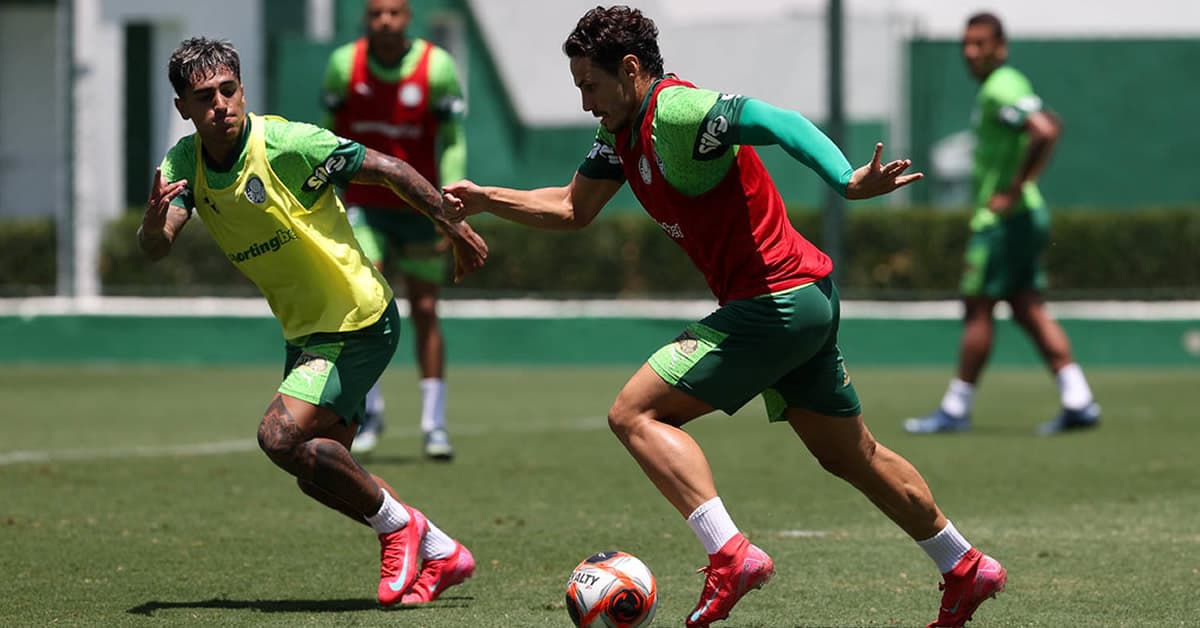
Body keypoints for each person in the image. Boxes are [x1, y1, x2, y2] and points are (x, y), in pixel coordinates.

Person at [443, 6, 1005, 628]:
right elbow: (574, 208)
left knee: (634, 413)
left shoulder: (679, 112)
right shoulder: (619, 131)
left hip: (776, 304)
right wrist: (486, 199)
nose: (584, 103)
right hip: (807, 299)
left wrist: (845, 180)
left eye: (590, 86)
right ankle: (964, 565)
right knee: (852, 454)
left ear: (630, 71)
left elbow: (778, 120)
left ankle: (730, 554)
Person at [140, 37, 485, 606]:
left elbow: (391, 168)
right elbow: (159, 245)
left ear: (243, 90)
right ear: (182, 107)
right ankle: (440, 548)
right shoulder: (182, 164)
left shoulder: (286, 143)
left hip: (357, 318)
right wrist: (153, 225)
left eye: (229, 90)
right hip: (307, 334)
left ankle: (398, 529)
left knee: (278, 436)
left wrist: (451, 225)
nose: (220, 105)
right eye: (204, 97)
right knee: (316, 469)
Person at [904, 12, 1100, 436]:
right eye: (966, 44)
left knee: (978, 307)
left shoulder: (1000, 86)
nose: (971, 53)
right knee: (1028, 309)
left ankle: (956, 408)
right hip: (1023, 215)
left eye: (981, 44)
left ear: (1001, 47)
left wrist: (1012, 189)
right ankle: (1078, 398)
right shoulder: (1005, 86)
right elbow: (1046, 125)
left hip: (1004, 220)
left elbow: (1045, 130)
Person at [320, 0, 468, 459]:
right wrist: (329, 193)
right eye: (376, 13)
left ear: (409, 18)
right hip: (366, 207)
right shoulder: (344, 66)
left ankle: (434, 423)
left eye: (395, 12)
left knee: (424, 308)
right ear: (367, 18)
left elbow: (453, 140)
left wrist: (446, 204)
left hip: (419, 210)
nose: (385, 20)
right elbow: (327, 136)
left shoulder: (436, 67)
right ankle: (371, 410)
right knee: (367, 299)